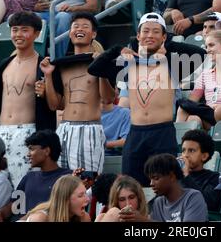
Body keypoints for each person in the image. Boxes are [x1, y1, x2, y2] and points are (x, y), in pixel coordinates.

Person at [88, 12, 206, 186]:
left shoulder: (173, 64)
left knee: (165, 185)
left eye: (156, 32)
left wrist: (167, 47)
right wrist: (117, 49)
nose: (150, 35)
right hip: (135, 133)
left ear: (164, 36)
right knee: (131, 186)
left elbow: (200, 53)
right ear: (138, 35)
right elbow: (94, 69)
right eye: (146, 31)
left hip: (162, 132)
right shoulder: (128, 64)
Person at [0, 12, 56, 188]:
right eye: (14, 30)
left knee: (22, 188)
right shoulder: (5, 64)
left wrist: (45, 90)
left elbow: (55, 104)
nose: (18, 34)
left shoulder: (43, 66)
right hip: (0, 132)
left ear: (36, 34)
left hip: (27, 133)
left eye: (24, 30)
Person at [40, 12, 112, 175]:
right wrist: (48, 75)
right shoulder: (61, 65)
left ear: (93, 34)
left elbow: (108, 99)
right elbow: (55, 105)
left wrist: (100, 67)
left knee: (88, 181)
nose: (79, 29)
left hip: (89, 129)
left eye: (85, 26)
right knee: (61, 181)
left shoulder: (102, 60)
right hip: (64, 129)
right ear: (70, 32)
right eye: (75, 26)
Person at [0, 130, 72, 222]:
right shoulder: (29, 177)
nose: (28, 154)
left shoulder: (67, 177)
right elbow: (15, 205)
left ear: (47, 151)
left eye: (32, 149)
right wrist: (0, 213)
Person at [176, 30, 221, 129]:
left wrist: (220, 107)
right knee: (190, 116)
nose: (207, 50)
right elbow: (192, 101)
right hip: (210, 117)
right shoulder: (205, 74)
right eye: (206, 46)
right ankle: (176, 141)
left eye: (211, 45)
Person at [145, 153, 208, 222]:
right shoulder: (158, 203)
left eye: (156, 178)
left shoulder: (193, 197)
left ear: (172, 176)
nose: (151, 183)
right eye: (150, 179)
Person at [178, 129, 221, 212]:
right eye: (183, 150)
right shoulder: (175, 177)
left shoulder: (214, 178)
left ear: (204, 156)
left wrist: (186, 176)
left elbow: (208, 203)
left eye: (191, 150)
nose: (185, 155)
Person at [25, 175, 91, 222]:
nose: (88, 199)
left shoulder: (84, 218)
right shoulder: (40, 218)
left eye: (86, 193)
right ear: (65, 199)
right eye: (80, 195)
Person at [101, 88, 130, 156]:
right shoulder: (87, 114)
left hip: (113, 156)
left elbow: (126, 141)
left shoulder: (125, 113)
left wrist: (101, 144)